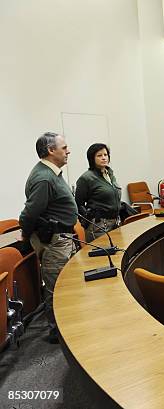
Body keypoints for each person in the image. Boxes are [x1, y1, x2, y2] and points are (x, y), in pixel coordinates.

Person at [19, 132, 77, 343]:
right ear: (51, 151)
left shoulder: (51, 173)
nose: (68, 150)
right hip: (54, 241)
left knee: (63, 285)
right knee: (56, 287)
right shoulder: (44, 177)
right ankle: (57, 333)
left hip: (61, 238)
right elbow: (29, 214)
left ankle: (64, 327)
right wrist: (26, 235)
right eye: (64, 147)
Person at [75, 143, 122, 242]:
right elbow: (78, 204)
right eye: (99, 155)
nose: (104, 158)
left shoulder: (109, 173)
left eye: (105, 155)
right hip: (99, 225)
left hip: (116, 222)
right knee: (103, 256)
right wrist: (87, 221)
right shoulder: (86, 178)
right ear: (92, 159)